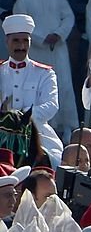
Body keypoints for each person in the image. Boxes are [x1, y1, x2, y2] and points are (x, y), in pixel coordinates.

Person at [13, 0, 76, 138]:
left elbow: (68, 17)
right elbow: (21, 23)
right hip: (37, 50)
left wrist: (58, 34)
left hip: (57, 49)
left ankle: (66, 127)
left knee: (63, 85)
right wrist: (40, 38)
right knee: (40, 87)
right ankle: (43, 125)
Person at [0, 14, 64, 166]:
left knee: (54, 162)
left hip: (36, 132)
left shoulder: (44, 73)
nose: (21, 46)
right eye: (16, 40)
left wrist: (23, 115)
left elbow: (51, 105)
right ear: (7, 41)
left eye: (25, 41)